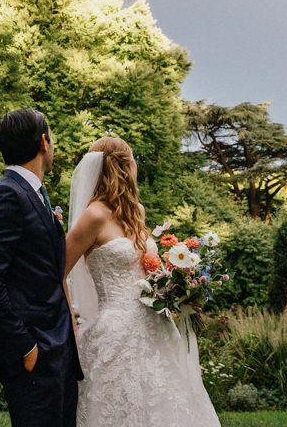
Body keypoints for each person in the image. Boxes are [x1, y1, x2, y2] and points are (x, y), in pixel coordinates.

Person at [65, 136, 220, 426]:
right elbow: (58, 270)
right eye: (133, 160)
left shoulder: (137, 213)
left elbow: (149, 273)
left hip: (155, 323)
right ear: (124, 166)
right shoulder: (94, 215)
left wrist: (181, 293)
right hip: (115, 331)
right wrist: (71, 326)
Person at [0, 108, 82, 427]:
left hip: (58, 352)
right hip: (36, 355)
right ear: (44, 142)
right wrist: (26, 347)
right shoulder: (6, 194)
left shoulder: (33, 194)